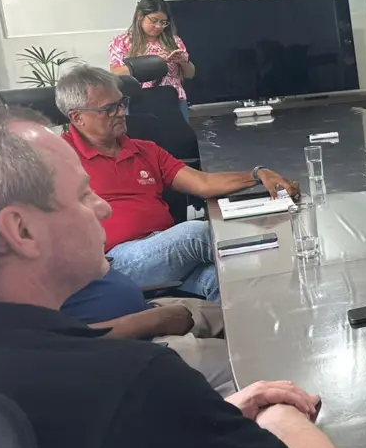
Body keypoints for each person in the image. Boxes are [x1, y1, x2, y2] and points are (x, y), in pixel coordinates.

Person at [0, 104, 353, 448]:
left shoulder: (23, 375)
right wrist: (281, 411)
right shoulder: (124, 385)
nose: (103, 208)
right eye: (82, 195)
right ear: (21, 230)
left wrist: (207, 419)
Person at [55, 65, 297, 301]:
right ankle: (292, 253)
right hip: (114, 263)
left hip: (167, 250)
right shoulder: (58, 159)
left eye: (121, 103)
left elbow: (202, 183)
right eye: (109, 109)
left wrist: (256, 175)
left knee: (230, 283)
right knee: (196, 233)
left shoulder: (144, 150)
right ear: (77, 117)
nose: (120, 112)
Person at [62, 266, 235, 396]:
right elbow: (61, 345)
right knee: (242, 365)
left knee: (241, 315)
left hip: (149, 308)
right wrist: (152, 321)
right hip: (132, 350)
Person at [109, 0, 195, 122]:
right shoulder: (122, 41)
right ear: (140, 16)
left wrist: (182, 61)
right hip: (138, 102)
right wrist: (154, 61)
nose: (159, 26)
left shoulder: (174, 41)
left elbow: (190, 74)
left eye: (163, 22)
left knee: (179, 133)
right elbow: (115, 73)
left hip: (173, 100)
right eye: (154, 21)